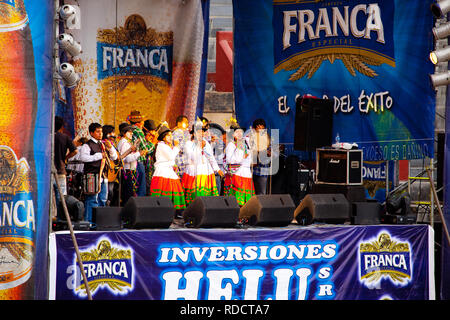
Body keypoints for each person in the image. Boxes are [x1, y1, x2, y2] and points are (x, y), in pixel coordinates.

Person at [80, 122, 118, 224]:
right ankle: (89, 222)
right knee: (92, 200)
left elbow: (114, 157)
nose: (100, 134)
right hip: (91, 175)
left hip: (103, 176)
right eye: (97, 132)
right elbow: (83, 158)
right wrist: (98, 156)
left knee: (102, 200)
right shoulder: (87, 145)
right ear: (91, 133)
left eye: (101, 131)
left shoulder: (103, 144)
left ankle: (100, 223)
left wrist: (110, 148)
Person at [182, 120, 224, 205]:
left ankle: (206, 210)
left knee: (206, 196)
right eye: (198, 132)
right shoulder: (188, 144)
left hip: (206, 171)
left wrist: (217, 169)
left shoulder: (206, 143)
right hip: (194, 171)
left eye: (202, 132)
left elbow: (210, 156)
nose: (201, 134)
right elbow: (193, 158)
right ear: (193, 133)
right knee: (194, 195)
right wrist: (200, 147)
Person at [150, 125, 186, 216]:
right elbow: (171, 157)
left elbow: (171, 159)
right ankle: (164, 212)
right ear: (163, 137)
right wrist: (177, 147)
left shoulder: (166, 146)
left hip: (168, 171)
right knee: (167, 191)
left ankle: (174, 211)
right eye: (168, 135)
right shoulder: (161, 146)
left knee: (175, 189)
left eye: (171, 135)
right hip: (163, 172)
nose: (171, 137)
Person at [224, 121, 255, 206]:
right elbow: (229, 160)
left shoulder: (246, 144)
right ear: (233, 134)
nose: (239, 133)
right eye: (237, 132)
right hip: (237, 173)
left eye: (241, 131)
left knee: (247, 199)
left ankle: (245, 215)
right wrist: (242, 157)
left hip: (247, 173)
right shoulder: (231, 145)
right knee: (237, 198)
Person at [117, 124, 144, 206]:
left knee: (128, 194)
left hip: (128, 171)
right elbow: (126, 159)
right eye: (129, 132)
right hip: (126, 171)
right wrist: (139, 153)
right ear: (124, 133)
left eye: (132, 132)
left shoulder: (125, 142)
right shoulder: (124, 143)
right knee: (127, 195)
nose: (131, 133)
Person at [248, 118, 277, 195]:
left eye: (262, 127)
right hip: (252, 166)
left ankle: (260, 206)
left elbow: (273, 151)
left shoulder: (267, 137)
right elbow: (248, 150)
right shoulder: (250, 137)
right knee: (250, 191)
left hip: (264, 166)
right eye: (258, 127)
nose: (260, 129)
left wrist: (270, 153)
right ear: (254, 128)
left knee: (262, 191)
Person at [127, 110, 152, 196]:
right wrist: (153, 143)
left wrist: (147, 140)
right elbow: (146, 149)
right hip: (138, 160)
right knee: (141, 187)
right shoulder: (138, 131)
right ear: (139, 123)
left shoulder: (129, 130)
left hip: (130, 161)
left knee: (134, 185)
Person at [53, 116, 77, 201]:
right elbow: (75, 151)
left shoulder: (46, 137)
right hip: (61, 169)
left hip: (47, 171)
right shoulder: (64, 137)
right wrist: (65, 158)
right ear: (61, 126)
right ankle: (60, 214)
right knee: (61, 197)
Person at [208, 122, 227, 195]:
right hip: (215, 170)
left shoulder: (222, 144)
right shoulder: (209, 144)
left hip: (222, 170)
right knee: (217, 191)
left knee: (222, 191)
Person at [142, 119, 158, 194]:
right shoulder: (144, 140)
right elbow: (147, 150)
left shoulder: (156, 140)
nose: (153, 133)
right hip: (146, 167)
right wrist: (153, 143)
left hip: (154, 167)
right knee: (147, 187)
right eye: (151, 131)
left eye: (154, 131)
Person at [172, 115, 190, 179]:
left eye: (187, 123)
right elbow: (176, 145)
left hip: (184, 161)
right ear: (179, 123)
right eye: (185, 122)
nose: (187, 124)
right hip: (179, 161)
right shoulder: (177, 132)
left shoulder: (184, 133)